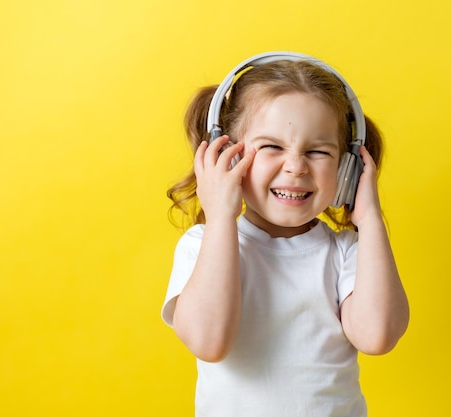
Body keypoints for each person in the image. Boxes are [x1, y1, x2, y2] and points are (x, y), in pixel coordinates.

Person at [161, 52, 409, 417]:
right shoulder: (202, 245)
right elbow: (209, 341)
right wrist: (220, 217)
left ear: (347, 168)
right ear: (226, 155)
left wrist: (369, 217)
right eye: (272, 147)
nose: (295, 166)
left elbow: (378, 336)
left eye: (318, 151)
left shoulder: (347, 253)